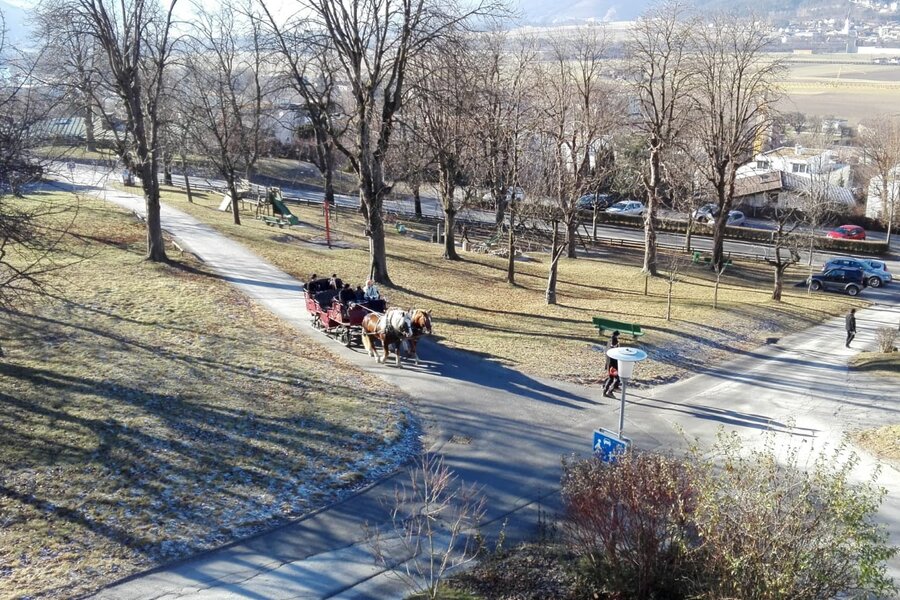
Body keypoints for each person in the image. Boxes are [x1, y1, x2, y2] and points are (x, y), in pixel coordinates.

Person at [603, 331, 621, 397]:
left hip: (608, 364)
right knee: (616, 379)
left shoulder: (609, 342)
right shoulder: (614, 346)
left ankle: (604, 391)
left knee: (610, 378)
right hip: (613, 366)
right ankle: (610, 391)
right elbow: (616, 356)